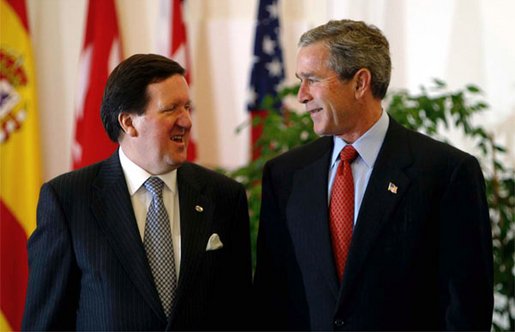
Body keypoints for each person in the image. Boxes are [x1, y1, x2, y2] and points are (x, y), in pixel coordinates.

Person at [253, 19, 493, 331]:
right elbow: (272, 298)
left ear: (360, 83)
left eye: (312, 80)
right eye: (301, 80)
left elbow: (466, 307)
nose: (301, 95)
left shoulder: (446, 172)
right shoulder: (285, 174)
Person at [22, 54, 252, 331]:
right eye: (171, 109)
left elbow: (240, 314)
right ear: (128, 123)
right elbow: (44, 323)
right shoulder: (68, 201)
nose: (187, 122)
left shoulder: (224, 197)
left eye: (187, 107)